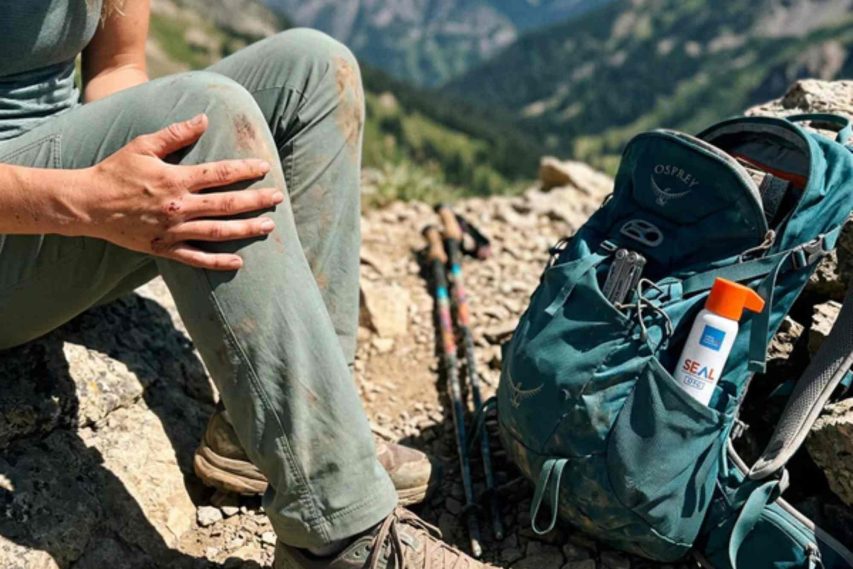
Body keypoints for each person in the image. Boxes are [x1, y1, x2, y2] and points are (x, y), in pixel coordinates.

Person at [0, 1, 487, 567]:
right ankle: (341, 536)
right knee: (206, 108)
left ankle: (305, 431)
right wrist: (88, 199)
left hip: (64, 200)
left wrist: (138, 161)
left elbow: (117, 69)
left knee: (313, 69)